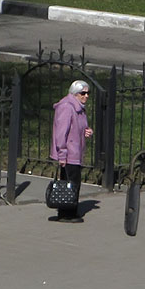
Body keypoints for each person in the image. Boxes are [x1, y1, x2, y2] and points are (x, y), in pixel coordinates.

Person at [49, 80, 93, 223]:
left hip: (75, 152)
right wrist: (62, 154)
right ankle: (67, 213)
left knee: (71, 182)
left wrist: (86, 131)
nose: (86, 96)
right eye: (83, 93)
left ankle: (68, 211)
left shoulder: (79, 107)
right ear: (75, 93)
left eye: (88, 93)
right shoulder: (67, 107)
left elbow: (79, 127)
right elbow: (61, 133)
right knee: (71, 183)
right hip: (69, 154)